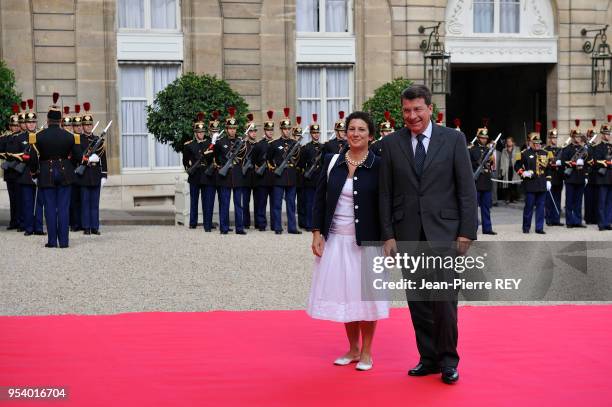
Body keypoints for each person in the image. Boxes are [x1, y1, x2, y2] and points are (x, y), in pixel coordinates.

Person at [378, 84, 477, 384]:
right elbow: (385, 193)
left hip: (445, 234)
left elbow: (466, 190)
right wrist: (388, 234)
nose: (412, 116)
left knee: (444, 301)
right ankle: (429, 358)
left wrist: (467, 231)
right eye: (407, 110)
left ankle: (448, 360)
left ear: (430, 109)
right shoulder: (392, 143)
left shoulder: (454, 139)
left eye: (418, 109)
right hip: (408, 235)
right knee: (418, 301)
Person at [308, 110, 387, 372]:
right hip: (336, 241)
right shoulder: (332, 161)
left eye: (361, 129)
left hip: (368, 242)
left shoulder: (379, 165)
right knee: (345, 294)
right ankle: (352, 348)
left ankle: (367, 352)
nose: (355, 133)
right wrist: (317, 233)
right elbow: (319, 200)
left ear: (371, 135)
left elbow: (386, 205)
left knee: (366, 297)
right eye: (351, 129)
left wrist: (390, 239)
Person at [29, 92, 81, 248]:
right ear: (60, 120)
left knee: (50, 208)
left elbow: (32, 158)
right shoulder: (71, 136)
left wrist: (34, 173)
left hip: (46, 173)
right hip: (65, 173)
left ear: (47, 119)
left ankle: (52, 241)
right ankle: (64, 242)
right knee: (63, 209)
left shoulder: (38, 136)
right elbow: (78, 157)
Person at [267, 108, 301, 235]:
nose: (287, 131)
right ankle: (277, 227)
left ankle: (292, 227)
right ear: (281, 129)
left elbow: (298, 159)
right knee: (277, 204)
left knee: (291, 204)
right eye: (285, 129)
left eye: (288, 129)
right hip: (279, 176)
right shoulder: (274, 144)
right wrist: (275, 169)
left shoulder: (295, 143)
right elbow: (268, 159)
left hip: (291, 176)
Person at [514, 128, 553, 234]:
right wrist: (523, 173)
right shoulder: (524, 153)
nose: (537, 145)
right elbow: (516, 166)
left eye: (538, 143)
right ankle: (526, 227)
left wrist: (548, 180)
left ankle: (539, 228)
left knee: (541, 207)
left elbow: (549, 168)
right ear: (530, 143)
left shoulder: (545, 153)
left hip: (541, 184)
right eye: (535, 143)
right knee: (529, 207)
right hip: (530, 184)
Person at [76, 102, 107, 235]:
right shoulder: (78, 139)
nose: (88, 127)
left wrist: (104, 175)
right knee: (85, 202)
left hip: (95, 173)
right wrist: (87, 158)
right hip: (84, 173)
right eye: (85, 125)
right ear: (82, 126)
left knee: (95, 203)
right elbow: (78, 156)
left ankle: (95, 226)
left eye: (90, 124)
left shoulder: (98, 140)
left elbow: (104, 158)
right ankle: (86, 226)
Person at [16, 100, 45, 236]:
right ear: (25, 124)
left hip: (39, 174)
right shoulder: (20, 137)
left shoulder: (41, 136)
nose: (32, 124)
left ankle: (38, 227)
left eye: (34, 122)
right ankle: (29, 228)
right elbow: (14, 154)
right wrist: (23, 156)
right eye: (29, 122)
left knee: (39, 203)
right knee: (28, 203)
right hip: (26, 174)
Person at [182, 112, 210, 229]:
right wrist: (190, 169)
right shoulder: (189, 145)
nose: (201, 134)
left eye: (202, 132)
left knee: (205, 201)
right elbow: (185, 161)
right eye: (199, 132)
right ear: (195, 133)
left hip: (205, 175)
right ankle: (193, 222)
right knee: (194, 201)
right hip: (194, 176)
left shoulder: (208, 144)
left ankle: (206, 223)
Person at [469, 126, 496, 235]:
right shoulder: (472, 150)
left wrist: (491, 150)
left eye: (485, 138)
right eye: (482, 137)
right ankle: (472, 229)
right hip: (476, 182)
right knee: (473, 209)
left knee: (486, 208)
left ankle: (487, 228)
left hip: (486, 181)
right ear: (478, 138)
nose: (484, 139)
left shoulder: (489, 150)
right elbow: (472, 163)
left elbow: (492, 166)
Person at [562, 120, 589, 228]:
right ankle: (569, 221)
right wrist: (573, 163)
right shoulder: (567, 149)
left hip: (580, 177)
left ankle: (577, 221)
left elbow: (587, 163)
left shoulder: (583, 149)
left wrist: (586, 175)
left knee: (578, 202)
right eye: (576, 136)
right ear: (572, 137)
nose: (578, 138)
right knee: (569, 201)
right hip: (570, 177)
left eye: (579, 137)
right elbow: (563, 162)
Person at [1, 103, 24, 231]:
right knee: (12, 199)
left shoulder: (22, 138)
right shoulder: (5, 138)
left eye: (17, 125)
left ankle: (21, 222)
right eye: (13, 125)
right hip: (9, 172)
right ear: (10, 126)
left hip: (19, 172)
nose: (15, 127)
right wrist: (7, 156)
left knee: (20, 199)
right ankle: (13, 221)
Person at [299, 114, 323, 231]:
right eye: (314, 133)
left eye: (317, 132)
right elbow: (302, 164)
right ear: (311, 134)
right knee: (309, 203)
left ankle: (318, 225)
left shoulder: (324, 147)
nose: (316, 134)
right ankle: (309, 224)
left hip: (320, 179)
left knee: (320, 204)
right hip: (310, 179)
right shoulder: (306, 148)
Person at [252, 110, 275, 231]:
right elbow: (253, 160)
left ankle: (274, 224)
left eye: (272, 130)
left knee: (274, 204)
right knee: (261, 203)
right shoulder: (259, 145)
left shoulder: (276, 144)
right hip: (261, 178)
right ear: (265, 131)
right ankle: (261, 224)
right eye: (268, 130)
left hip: (273, 177)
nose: (270, 132)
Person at [591, 116, 611, 231]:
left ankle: (608, 222)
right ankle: (601, 223)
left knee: (609, 202)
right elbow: (595, 161)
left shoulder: (611, 146)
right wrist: (606, 162)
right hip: (602, 177)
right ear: (602, 134)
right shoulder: (597, 147)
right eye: (606, 133)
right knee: (602, 202)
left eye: (609, 133)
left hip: (610, 177)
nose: (608, 135)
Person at [544, 121, 565, 226]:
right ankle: (548, 219)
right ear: (549, 139)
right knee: (548, 200)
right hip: (550, 177)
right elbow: (543, 164)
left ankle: (556, 219)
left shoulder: (560, 150)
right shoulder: (545, 150)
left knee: (557, 199)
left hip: (559, 177)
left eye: (556, 138)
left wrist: (561, 164)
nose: (554, 140)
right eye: (552, 138)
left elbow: (564, 163)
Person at [69, 104, 83, 232]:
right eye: (76, 126)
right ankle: (74, 223)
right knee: (73, 201)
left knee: (82, 200)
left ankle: (83, 223)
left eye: (80, 126)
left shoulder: (85, 138)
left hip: (83, 173)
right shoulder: (70, 139)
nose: (79, 128)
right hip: (72, 172)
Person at [499, 137, 521, 203]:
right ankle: (507, 198)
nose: (508, 142)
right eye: (507, 141)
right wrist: (502, 169)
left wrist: (520, 167)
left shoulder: (517, 149)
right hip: (507, 168)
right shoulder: (504, 150)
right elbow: (502, 160)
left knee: (514, 184)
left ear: (513, 142)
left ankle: (514, 198)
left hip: (515, 168)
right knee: (507, 183)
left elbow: (519, 159)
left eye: (510, 141)